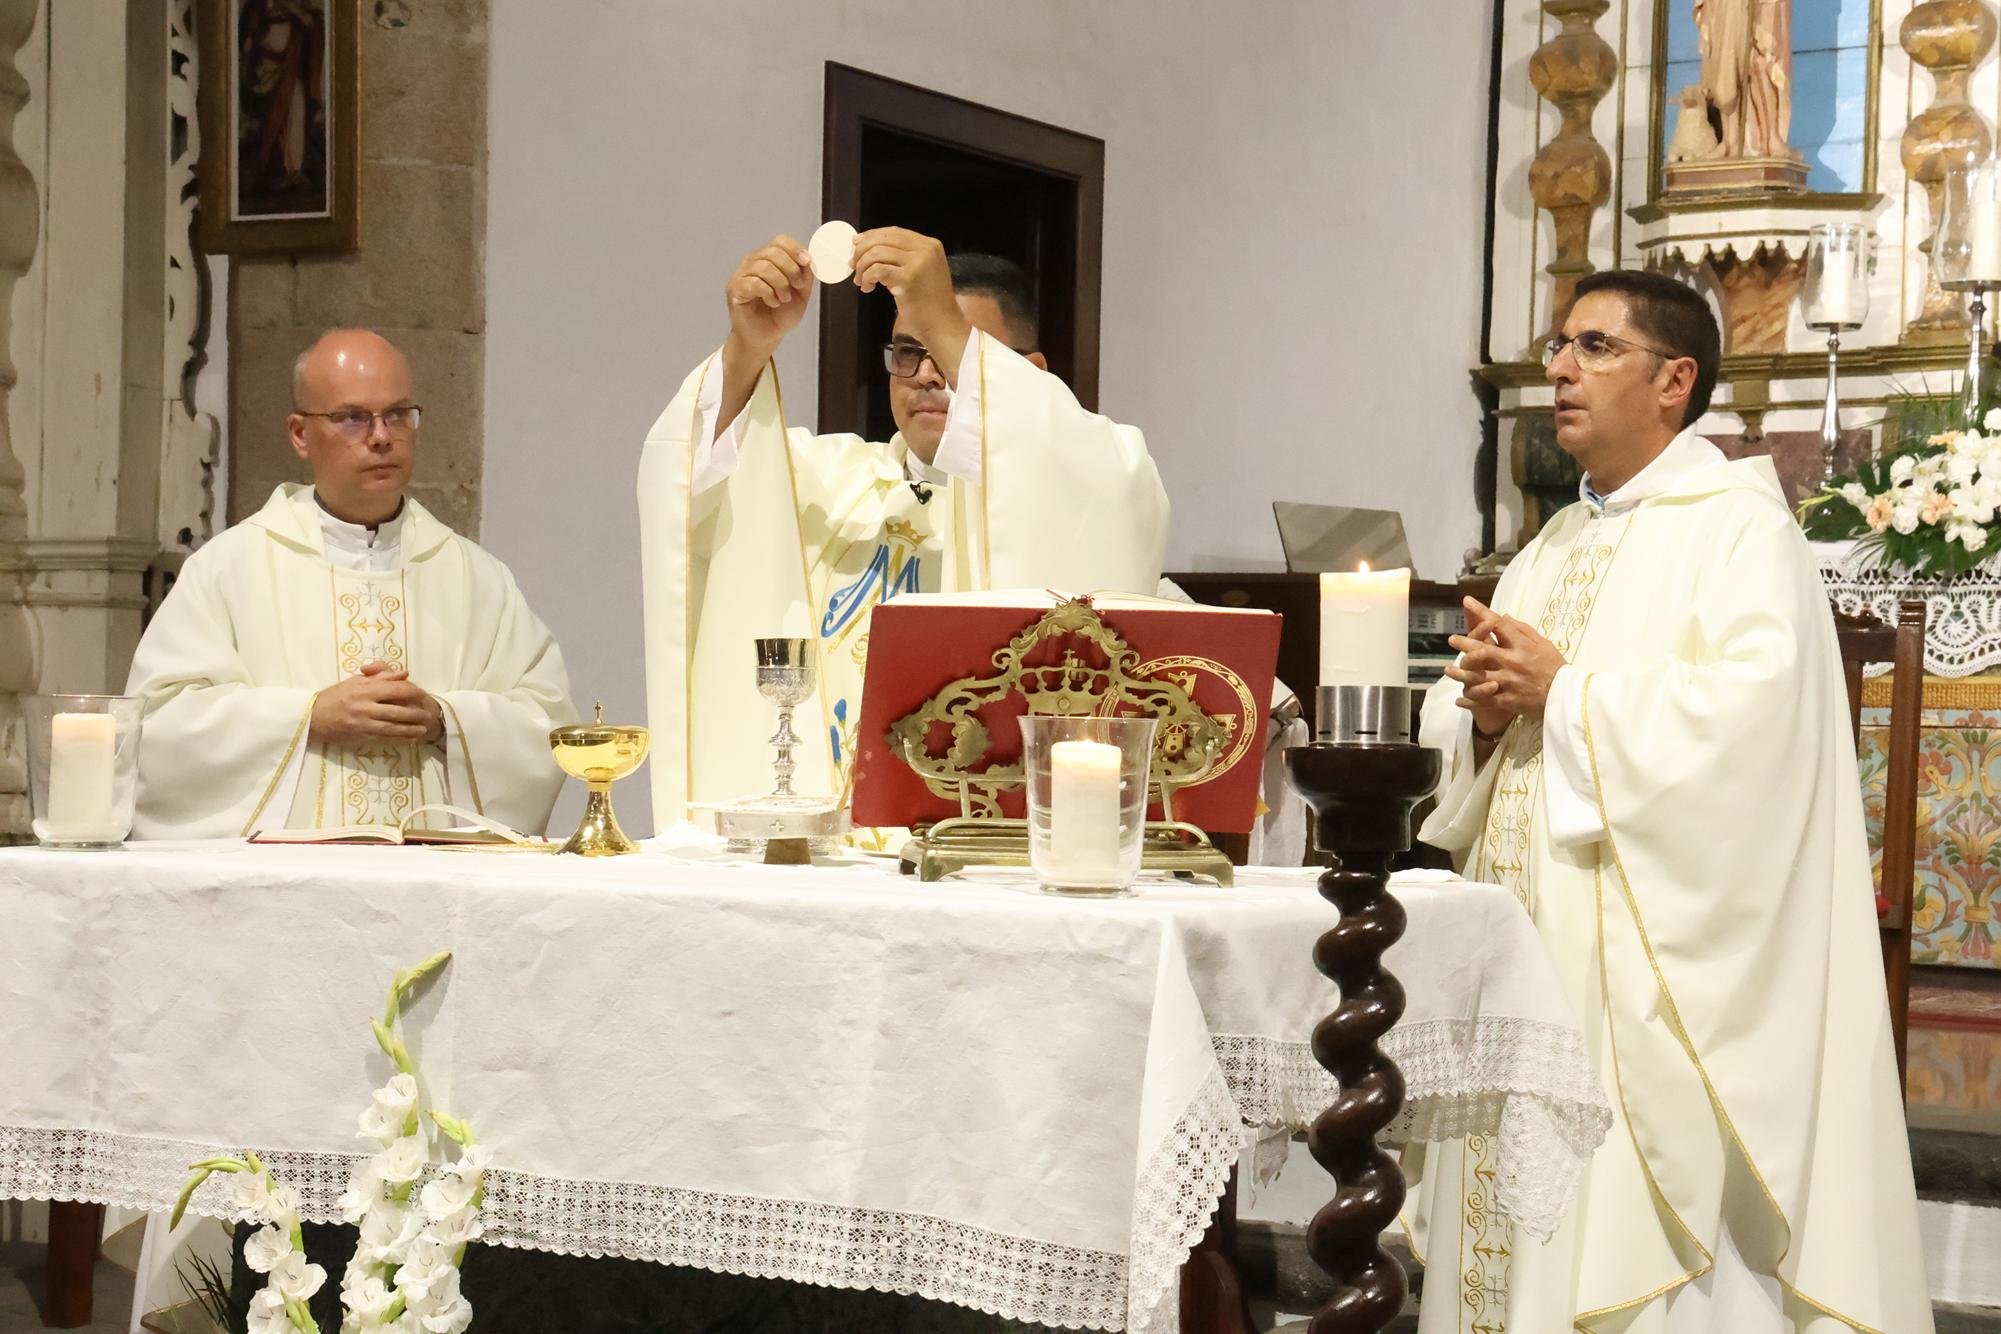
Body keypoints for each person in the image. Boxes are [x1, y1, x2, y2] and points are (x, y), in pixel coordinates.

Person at [1407, 269, 1931, 1332]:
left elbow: (1753, 725)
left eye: (1595, 347)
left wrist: (1566, 693)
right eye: (1559, 345)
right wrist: (1484, 713)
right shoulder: (1549, 544)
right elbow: (1483, 723)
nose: (1559, 369)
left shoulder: (1739, 529)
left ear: (1674, 380)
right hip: (1524, 938)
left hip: (1644, 962)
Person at [638, 231, 1168, 831]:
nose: (926, 374)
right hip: (823, 855)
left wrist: (940, 314)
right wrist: (746, 350)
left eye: (955, 348)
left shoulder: (1089, 468)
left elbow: (1115, 489)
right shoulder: (824, 484)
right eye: (908, 351)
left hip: (988, 854)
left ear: (1032, 374)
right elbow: (687, 483)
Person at [128, 329, 576, 839]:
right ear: (300, 434)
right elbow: (159, 726)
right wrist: (307, 717)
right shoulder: (230, 568)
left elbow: (547, 722)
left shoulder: (477, 577)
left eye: (398, 414)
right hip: (283, 881)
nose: (382, 436)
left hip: (436, 879)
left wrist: (445, 719)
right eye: (352, 417)